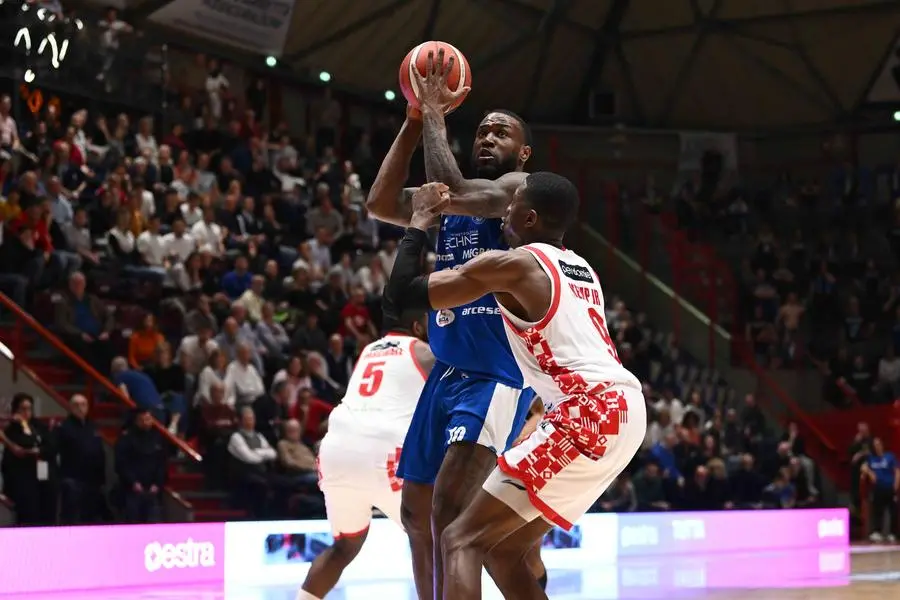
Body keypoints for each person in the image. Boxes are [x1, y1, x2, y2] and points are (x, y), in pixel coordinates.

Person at [384, 175, 647, 599]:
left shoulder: (516, 264)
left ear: (528, 217)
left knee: (459, 539)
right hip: (626, 411)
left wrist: (417, 224)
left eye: (510, 207)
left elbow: (400, 299)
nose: (502, 213)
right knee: (502, 551)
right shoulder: (581, 268)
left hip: (586, 412)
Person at [365, 47, 541, 597]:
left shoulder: (519, 194)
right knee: (416, 515)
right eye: (482, 129)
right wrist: (415, 119)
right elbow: (380, 201)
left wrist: (437, 112)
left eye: (501, 133)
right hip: (445, 374)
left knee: (451, 513)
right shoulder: (451, 199)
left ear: (523, 152)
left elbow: (462, 193)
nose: (487, 137)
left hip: (495, 377)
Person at [297, 309, 434, 600]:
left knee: (344, 546)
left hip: (335, 450)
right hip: (383, 454)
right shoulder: (423, 351)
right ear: (416, 326)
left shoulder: (369, 350)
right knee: (429, 540)